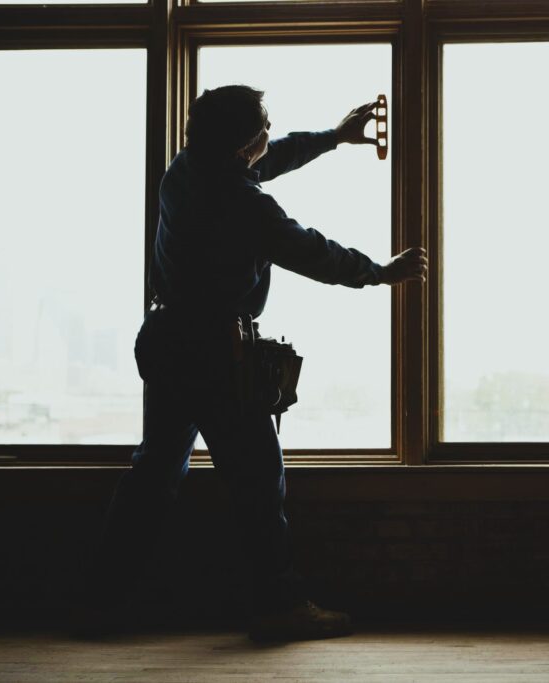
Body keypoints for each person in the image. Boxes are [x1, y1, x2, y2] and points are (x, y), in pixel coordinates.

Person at [86, 85, 427, 642]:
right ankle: (279, 606)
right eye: (264, 127)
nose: (269, 136)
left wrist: (333, 139)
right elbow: (313, 252)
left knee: (153, 474)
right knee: (256, 480)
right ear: (246, 142)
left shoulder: (185, 171)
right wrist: (381, 272)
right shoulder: (244, 203)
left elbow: (269, 159)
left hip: (166, 339)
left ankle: (102, 601)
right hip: (215, 353)